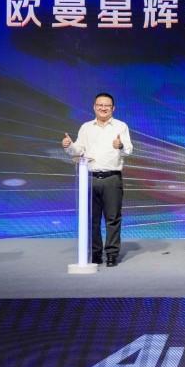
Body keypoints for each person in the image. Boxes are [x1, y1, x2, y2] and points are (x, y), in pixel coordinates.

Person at [62, 93, 133, 267]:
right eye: (100, 105)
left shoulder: (121, 126)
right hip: (90, 178)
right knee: (92, 219)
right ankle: (95, 253)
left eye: (107, 105)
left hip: (112, 178)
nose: (103, 108)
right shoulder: (86, 127)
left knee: (113, 218)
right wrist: (69, 146)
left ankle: (112, 254)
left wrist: (120, 145)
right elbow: (78, 150)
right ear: (94, 107)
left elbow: (129, 150)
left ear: (113, 108)